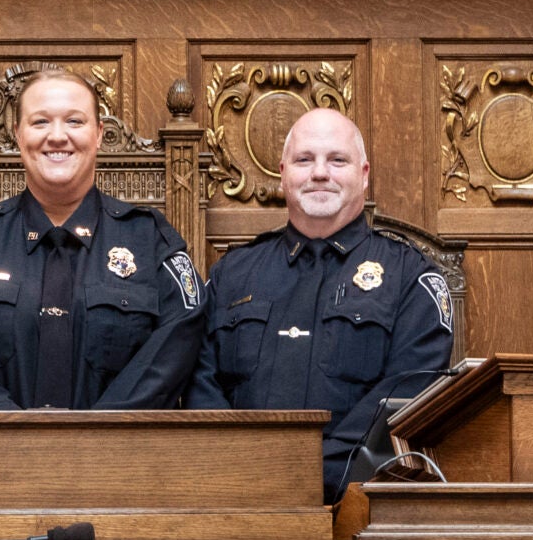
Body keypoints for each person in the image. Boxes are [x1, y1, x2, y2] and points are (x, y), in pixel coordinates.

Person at [188, 107, 454, 501]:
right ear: (283, 173)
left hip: (356, 507)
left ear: (363, 175)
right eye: (304, 160)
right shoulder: (232, 274)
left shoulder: (410, 278)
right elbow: (198, 382)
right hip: (236, 496)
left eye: (337, 160)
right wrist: (241, 467)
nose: (319, 173)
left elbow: (408, 398)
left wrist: (304, 474)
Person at [0, 67, 203, 409]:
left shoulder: (150, 241)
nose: (58, 136)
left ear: (98, 134)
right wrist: (15, 433)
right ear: (17, 134)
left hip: (121, 456)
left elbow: (173, 349)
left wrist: (95, 440)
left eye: (75, 121)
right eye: (40, 122)